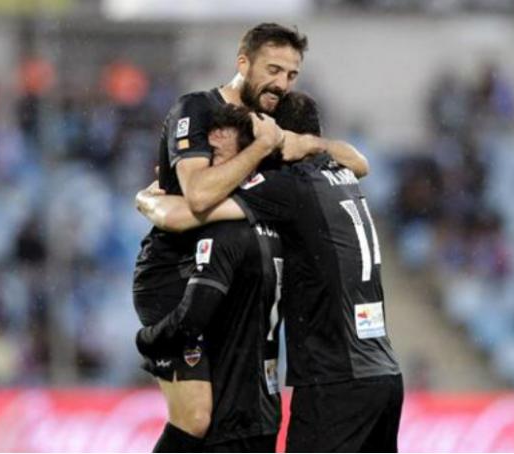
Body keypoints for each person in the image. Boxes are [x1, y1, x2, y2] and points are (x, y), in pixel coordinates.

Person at [133, 22, 369, 452]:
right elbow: (199, 197)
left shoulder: (272, 119)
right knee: (198, 416)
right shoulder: (197, 109)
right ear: (243, 62)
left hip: (239, 276)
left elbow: (358, 162)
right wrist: (262, 149)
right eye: (273, 69)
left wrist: (305, 143)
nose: (281, 83)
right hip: (178, 273)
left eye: (291, 75)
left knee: (241, 416)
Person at [136, 104, 284, 452]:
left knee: (200, 418)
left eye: (219, 156)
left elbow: (196, 309)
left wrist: (144, 198)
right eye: (206, 155)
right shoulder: (261, 214)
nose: (207, 168)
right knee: (195, 419)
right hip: (168, 287)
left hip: (236, 404)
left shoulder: (237, 215)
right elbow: (175, 211)